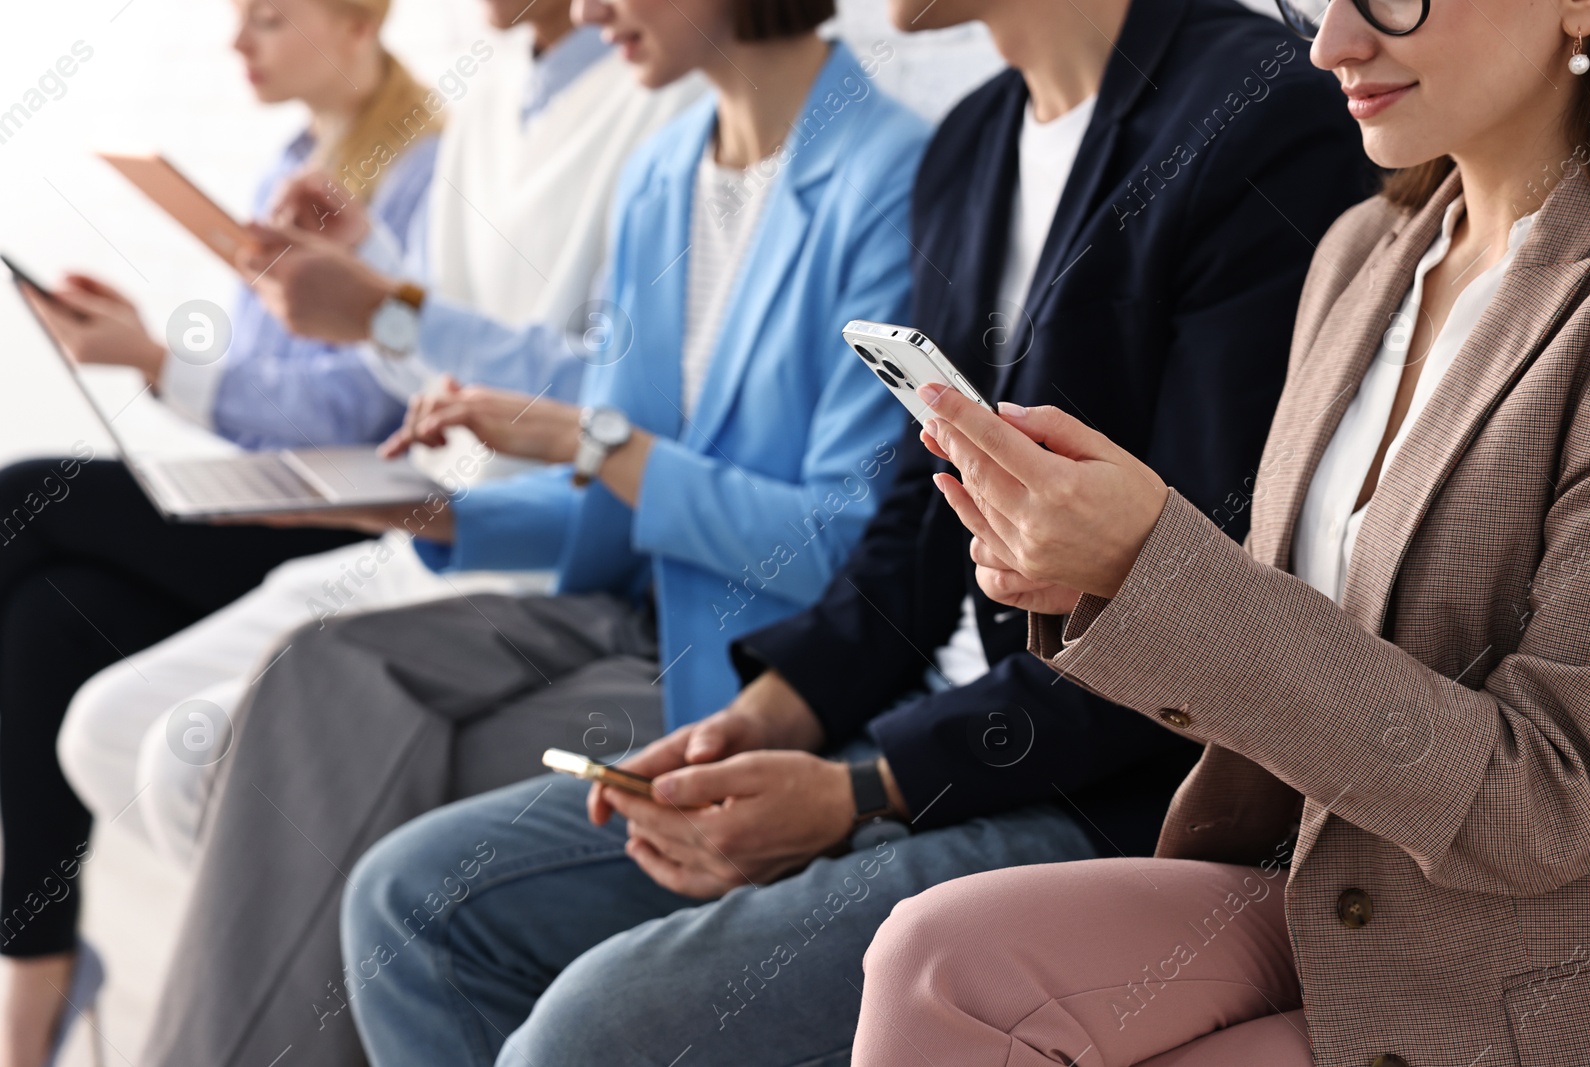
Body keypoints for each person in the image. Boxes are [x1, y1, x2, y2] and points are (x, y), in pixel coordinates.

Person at [334, 0, 1371, 1064]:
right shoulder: (973, 140)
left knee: (588, 1034)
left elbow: (1200, 606)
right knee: (413, 899)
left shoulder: (1259, 116)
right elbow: (915, 517)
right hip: (903, 725)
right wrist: (772, 714)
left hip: (1088, 782)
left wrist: (860, 789)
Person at [131, 1, 929, 1063]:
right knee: (314, 667)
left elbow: (837, 544)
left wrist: (597, 439)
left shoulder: (889, 176)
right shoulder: (663, 173)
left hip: (759, 659)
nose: (589, 5)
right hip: (623, 607)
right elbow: (611, 502)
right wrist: (425, 509)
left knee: (360, 782)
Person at [852, 0, 1590, 1063]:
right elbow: (1289, 631)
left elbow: (1547, 802)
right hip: (1312, 880)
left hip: (1516, 967)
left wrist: (1153, 569)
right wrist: (1096, 581)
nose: (1332, 42)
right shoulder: (1362, 253)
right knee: (932, 956)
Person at [57, 0, 700, 870]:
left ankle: (294, 975)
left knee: (185, 754)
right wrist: (378, 277)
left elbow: (619, 395)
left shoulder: (664, 104)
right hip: (439, 517)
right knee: (105, 723)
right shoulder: (496, 90)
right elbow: (426, 374)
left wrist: (387, 312)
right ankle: (283, 958)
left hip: (544, 548)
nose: (240, 41)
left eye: (271, 18)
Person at [1, 1, 437, 1063]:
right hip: (261, 489)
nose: (239, 42)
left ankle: (35, 991)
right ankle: (38, 980)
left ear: (358, 20)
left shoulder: (428, 169)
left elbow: (371, 409)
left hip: (349, 521)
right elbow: (271, 394)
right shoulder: (292, 163)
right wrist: (155, 360)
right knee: (54, 620)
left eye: (270, 17)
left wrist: (158, 358)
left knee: (24, 496)